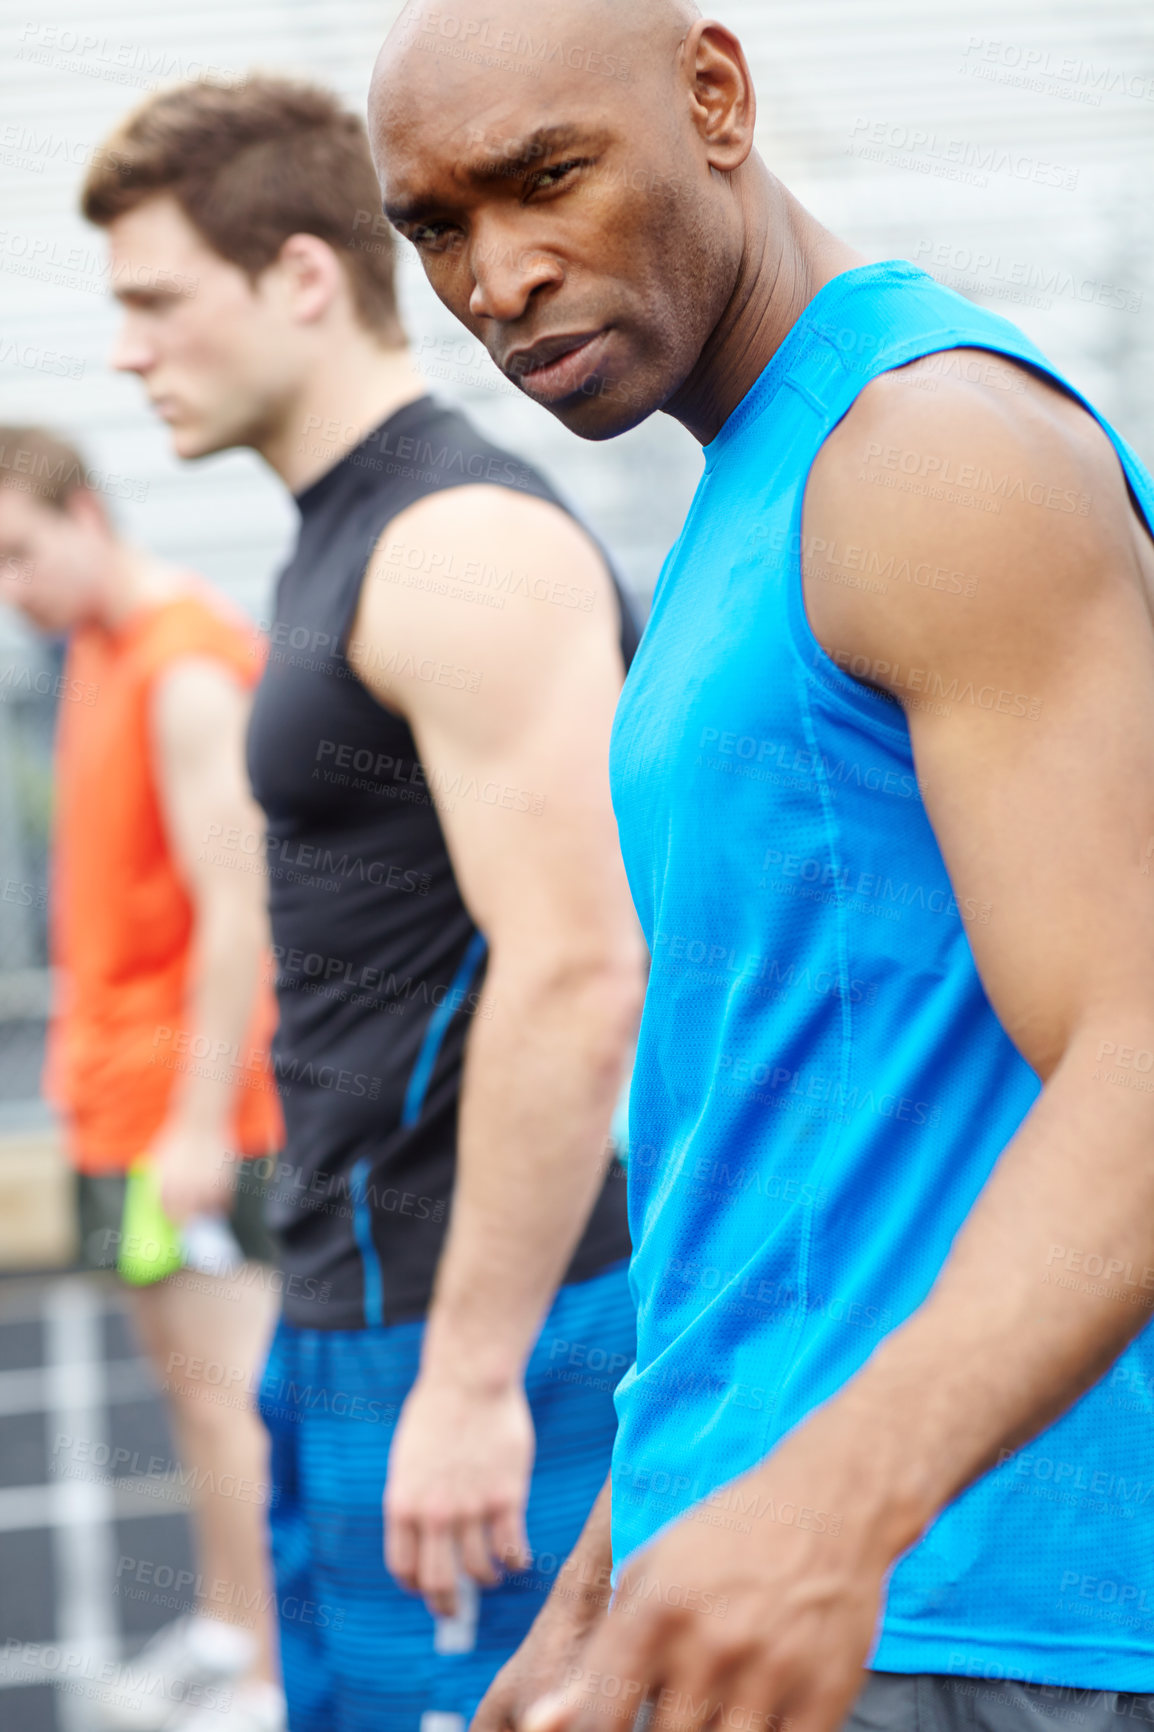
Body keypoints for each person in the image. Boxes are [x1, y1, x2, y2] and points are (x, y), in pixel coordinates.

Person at [367, 5, 1154, 1732]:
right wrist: (605, 1579)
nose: (495, 276)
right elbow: (780, 1157)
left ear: (712, 96)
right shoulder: (756, 493)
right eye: (436, 226)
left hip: (952, 1610)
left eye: (543, 180)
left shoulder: (932, 451)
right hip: (760, 1594)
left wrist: (834, 1505)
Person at [81, 75, 645, 1732]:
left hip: (471, 1343)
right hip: (349, 1317)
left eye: (158, 303)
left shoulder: (460, 540)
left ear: (303, 279)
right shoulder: (341, 535)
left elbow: (580, 966)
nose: (127, 351)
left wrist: (468, 1384)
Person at [0, 428, 285, 1732]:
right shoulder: (99, 654)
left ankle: (275, 1675)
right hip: (119, 1098)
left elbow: (241, 911)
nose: (13, 586)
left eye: (19, 550)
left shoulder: (182, 668)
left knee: (235, 1399)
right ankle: (231, 1631)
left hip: (193, 1110)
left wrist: (194, 1126)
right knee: (185, 1382)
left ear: (87, 512)